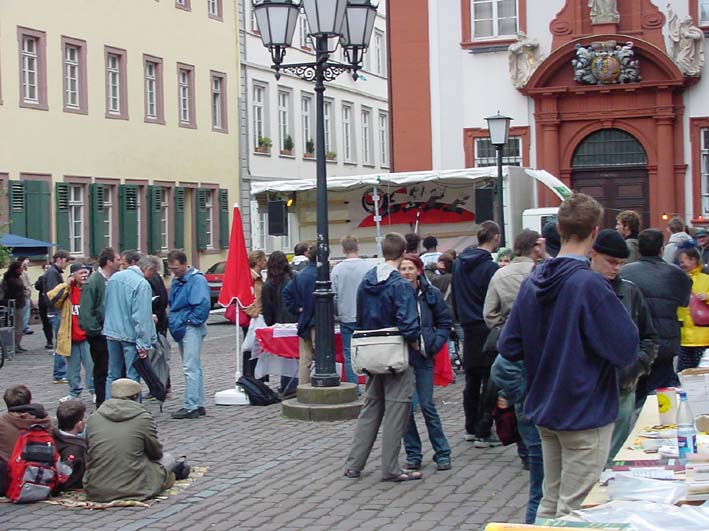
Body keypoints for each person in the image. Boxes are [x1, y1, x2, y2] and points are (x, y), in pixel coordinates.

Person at [498, 193, 639, 518]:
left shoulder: (534, 281)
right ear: (594, 233)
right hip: (583, 410)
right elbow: (626, 348)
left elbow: (509, 346)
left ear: (557, 229)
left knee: (552, 501)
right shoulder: (588, 285)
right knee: (578, 509)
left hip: (546, 407)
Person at [344, 233, 421, 482]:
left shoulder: (367, 280)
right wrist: (417, 343)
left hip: (371, 350)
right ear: (404, 252)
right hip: (395, 350)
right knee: (396, 410)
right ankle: (390, 467)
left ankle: (354, 464)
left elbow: (359, 317)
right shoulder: (400, 284)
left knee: (371, 408)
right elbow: (408, 324)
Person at [485, 230, 545, 524]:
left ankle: (526, 450)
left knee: (519, 401)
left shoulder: (501, 275)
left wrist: (505, 323)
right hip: (539, 351)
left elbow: (489, 313)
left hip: (512, 343)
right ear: (535, 248)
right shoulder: (544, 273)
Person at [589, 230, 659, 464]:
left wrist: (635, 367)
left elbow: (649, 336)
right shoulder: (579, 289)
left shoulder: (630, 291)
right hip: (589, 392)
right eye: (611, 262)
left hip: (622, 388)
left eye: (621, 263)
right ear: (593, 254)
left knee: (615, 456)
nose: (616, 267)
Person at [619, 229, 692, 399]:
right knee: (663, 399)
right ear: (662, 249)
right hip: (664, 343)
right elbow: (684, 302)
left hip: (635, 342)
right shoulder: (677, 275)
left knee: (636, 394)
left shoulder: (624, 273)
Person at [399, 254, 452, 472]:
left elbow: (444, 321)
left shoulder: (431, 294)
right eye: (403, 268)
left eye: (410, 268)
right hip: (401, 356)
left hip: (424, 354)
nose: (406, 272)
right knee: (405, 408)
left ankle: (442, 452)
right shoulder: (396, 294)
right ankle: (413, 453)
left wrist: (434, 343)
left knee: (427, 405)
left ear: (419, 270)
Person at [84, 379, 176, 502]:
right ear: (135, 396)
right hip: (134, 487)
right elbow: (155, 453)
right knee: (168, 458)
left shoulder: (94, 417)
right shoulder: (143, 417)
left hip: (97, 487)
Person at [451, 221, 500, 447]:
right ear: (496, 237)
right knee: (489, 381)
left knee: (471, 380)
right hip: (486, 326)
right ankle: (483, 430)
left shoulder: (459, 263)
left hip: (468, 326)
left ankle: (470, 427)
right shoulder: (490, 268)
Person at [102, 255, 158, 398]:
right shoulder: (142, 284)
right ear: (149, 269)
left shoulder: (114, 278)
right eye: (154, 272)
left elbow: (106, 304)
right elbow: (141, 317)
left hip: (111, 332)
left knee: (112, 375)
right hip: (130, 335)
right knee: (132, 376)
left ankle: (110, 406)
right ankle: (133, 410)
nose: (153, 276)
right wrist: (143, 344)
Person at [167, 250, 210, 419]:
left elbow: (202, 304)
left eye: (176, 268)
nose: (174, 272)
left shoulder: (196, 280)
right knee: (194, 367)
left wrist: (190, 321)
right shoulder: (180, 279)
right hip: (184, 324)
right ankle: (198, 403)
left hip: (188, 325)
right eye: (171, 268)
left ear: (185, 264)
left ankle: (191, 404)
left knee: (190, 367)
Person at [79, 248, 121, 409]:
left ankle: (112, 399)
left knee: (111, 368)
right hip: (99, 333)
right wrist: (95, 331)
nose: (119, 262)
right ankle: (102, 402)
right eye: (117, 259)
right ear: (109, 262)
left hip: (111, 331)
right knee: (102, 369)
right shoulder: (94, 281)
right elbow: (87, 309)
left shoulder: (113, 279)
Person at [48, 263, 95, 403]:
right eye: (81, 273)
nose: (84, 275)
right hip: (71, 337)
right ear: (73, 275)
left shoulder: (90, 289)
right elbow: (52, 298)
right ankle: (74, 392)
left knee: (91, 366)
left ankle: (94, 391)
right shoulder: (68, 291)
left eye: (86, 272)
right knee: (72, 370)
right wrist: (66, 284)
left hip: (87, 336)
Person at [331, 236, 373, 390]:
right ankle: (371, 387)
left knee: (349, 354)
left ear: (343, 249)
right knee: (368, 352)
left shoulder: (337, 269)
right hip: (365, 316)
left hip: (346, 315)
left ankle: (353, 387)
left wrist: (339, 312)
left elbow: (333, 296)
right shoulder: (368, 267)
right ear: (358, 246)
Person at [0, 385, 53, 495]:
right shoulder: (46, 421)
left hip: (11, 476)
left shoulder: (2, 422)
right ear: (29, 401)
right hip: (43, 474)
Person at [261, 251, 299, 397]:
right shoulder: (293, 278)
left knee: (285, 354)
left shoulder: (268, 284)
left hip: (279, 323)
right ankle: (291, 383)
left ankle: (287, 384)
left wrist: (270, 324)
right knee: (294, 353)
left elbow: (267, 309)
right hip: (294, 319)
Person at [283, 244, 317, 387]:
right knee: (322, 355)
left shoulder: (300, 275)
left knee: (305, 357)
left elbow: (286, 293)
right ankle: (322, 384)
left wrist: (297, 309)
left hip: (304, 320)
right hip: (318, 320)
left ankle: (303, 387)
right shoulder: (322, 274)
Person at [676, 247, 709, 371]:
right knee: (684, 375)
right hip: (684, 337)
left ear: (693, 259)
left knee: (703, 375)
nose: (681, 264)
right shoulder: (680, 279)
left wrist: (707, 297)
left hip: (703, 338)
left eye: (683, 261)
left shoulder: (705, 279)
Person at [45, 250, 75, 383]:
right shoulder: (53, 273)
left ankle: (60, 372)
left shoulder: (54, 272)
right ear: (60, 259)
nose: (67, 264)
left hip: (56, 312)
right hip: (56, 312)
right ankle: (59, 373)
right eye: (67, 261)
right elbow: (53, 295)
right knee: (61, 342)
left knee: (61, 341)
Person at [53, 400, 87, 492]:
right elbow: (73, 481)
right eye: (84, 418)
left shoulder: (54, 435)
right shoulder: (76, 450)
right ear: (79, 425)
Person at [243, 250, 267, 377]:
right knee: (250, 348)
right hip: (252, 318)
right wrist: (254, 312)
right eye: (264, 260)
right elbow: (244, 298)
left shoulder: (258, 277)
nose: (265, 263)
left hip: (258, 316)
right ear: (258, 261)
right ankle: (249, 376)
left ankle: (257, 376)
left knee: (258, 348)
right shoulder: (250, 277)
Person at [2, 261, 28, 353]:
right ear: (16, 269)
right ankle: (14, 345)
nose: (22, 269)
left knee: (19, 326)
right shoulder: (11, 280)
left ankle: (17, 344)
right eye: (21, 267)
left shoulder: (16, 278)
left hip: (19, 304)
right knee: (16, 326)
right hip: (14, 305)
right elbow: (9, 293)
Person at [34, 263, 55, 350]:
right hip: (43, 304)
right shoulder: (41, 278)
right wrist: (44, 278)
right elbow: (37, 287)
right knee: (46, 323)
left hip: (52, 304)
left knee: (55, 322)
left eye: (49, 268)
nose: (47, 270)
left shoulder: (54, 277)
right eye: (46, 268)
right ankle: (49, 340)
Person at [18, 257, 33, 336]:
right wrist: (27, 290)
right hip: (23, 296)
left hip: (26, 295)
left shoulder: (24, 271)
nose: (28, 261)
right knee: (24, 313)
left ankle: (25, 326)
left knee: (26, 313)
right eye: (26, 259)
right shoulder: (20, 272)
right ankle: (24, 327)